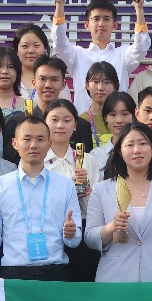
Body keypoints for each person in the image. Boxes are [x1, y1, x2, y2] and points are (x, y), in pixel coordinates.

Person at [85, 122, 152, 283]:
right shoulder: (102, 189)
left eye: (143, 143)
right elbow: (90, 239)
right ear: (119, 151)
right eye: (130, 145)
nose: (137, 150)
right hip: (114, 281)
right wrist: (111, 227)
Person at [0, 117, 82, 282]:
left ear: (49, 144)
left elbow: (74, 241)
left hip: (55, 275)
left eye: (40, 139)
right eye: (27, 139)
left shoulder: (65, 185)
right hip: (13, 276)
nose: (34, 145)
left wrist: (71, 234)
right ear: (14, 143)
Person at [51, 0, 151, 109]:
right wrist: (59, 4)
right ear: (86, 25)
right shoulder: (77, 55)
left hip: (116, 120)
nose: (101, 24)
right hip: (84, 120)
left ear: (115, 25)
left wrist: (139, 9)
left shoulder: (123, 55)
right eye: (96, 19)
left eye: (106, 19)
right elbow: (59, 43)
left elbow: (141, 47)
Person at [43, 99, 101, 282]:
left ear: (75, 125)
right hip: (46, 231)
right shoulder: (36, 160)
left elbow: (96, 208)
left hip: (81, 231)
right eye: (54, 120)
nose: (60, 125)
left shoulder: (88, 160)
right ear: (45, 123)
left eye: (67, 120)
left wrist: (86, 189)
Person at [0, 56, 92, 164]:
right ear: (34, 83)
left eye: (54, 80)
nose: (48, 85)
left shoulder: (80, 126)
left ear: (63, 84)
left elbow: (84, 165)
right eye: (42, 79)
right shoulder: (16, 122)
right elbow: (9, 163)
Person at [90, 90, 136, 170]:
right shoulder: (95, 156)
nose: (119, 120)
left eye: (125, 114)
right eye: (113, 115)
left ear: (134, 116)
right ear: (105, 118)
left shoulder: (141, 152)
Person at [81, 61, 119, 148]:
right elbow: (78, 154)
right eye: (95, 81)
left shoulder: (122, 120)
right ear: (87, 85)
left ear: (115, 86)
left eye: (106, 82)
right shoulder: (80, 121)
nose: (100, 87)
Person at [11, 23, 50, 102]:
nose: (31, 51)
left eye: (36, 45)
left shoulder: (55, 76)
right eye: (25, 46)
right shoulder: (8, 78)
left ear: (44, 48)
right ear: (17, 50)